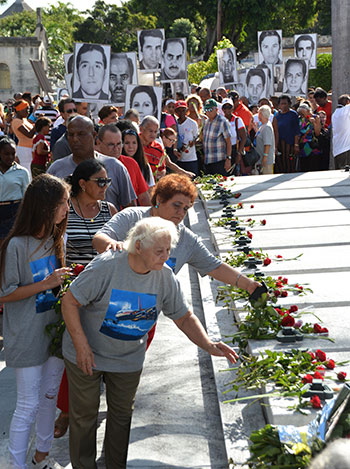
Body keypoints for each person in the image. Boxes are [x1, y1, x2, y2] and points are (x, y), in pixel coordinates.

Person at [63, 215, 238, 468]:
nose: (165, 256)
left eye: (168, 250)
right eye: (158, 251)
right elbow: (70, 300)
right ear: (137, 247)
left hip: (127, 359)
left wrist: (208, 344)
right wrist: (81, 346)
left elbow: (184, 316)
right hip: (86, 352)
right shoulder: (107, 265)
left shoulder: (164, 276)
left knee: (121, 417)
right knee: (83, 417)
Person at [0, 173, 71, 469]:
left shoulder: (56, 238)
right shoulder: (15, 245)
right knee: (27, 405)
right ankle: (16, 465)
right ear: (46, 206)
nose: (67, 209)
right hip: (27, 336)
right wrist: (47, 283)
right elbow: (6, 294)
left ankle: (41, 454)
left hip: (52, 334)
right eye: (64, 203)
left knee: (49, 397)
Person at [54, 159, 117, 439]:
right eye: (100, 182)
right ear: (83, 184)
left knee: (103, 349)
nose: (105, 187)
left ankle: (94, 403)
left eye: (107, 182)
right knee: (74, 350)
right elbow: (56, 248)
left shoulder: (109, 210)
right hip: (75, 291)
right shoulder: (66, 211)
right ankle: (66, 410)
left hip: (106, 292)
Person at [47, 115, 136, 210]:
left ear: (94, 135)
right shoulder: (56, 169)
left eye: (81, 134)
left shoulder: (115, 167)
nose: (75, 139)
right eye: (71, 135)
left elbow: (130, 209)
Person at [96, 124, 151, 206]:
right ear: (99, 143)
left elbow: (143, 197)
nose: (116, 149)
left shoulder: (131, 163)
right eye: (111, 144)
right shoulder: (92, 164)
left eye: (119, 144)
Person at [0, 137, 29, 246]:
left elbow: (26, 197)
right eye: (6, 154)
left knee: (8, 245)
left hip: (13, 211)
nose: (10, 157)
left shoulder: (22, 172)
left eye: (13, 153)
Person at [202, 98, 232, 175]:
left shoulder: (223, 122)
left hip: (219, 160)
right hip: (208, 160)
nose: (208, 112)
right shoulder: (206, 122)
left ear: (216, 109)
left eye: (210, 109)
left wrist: (228, 159)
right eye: (206, 110)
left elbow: (228, 142)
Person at [275, 95, 300, 173]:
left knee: (289, 162)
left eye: (285, 103)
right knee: (280, 162)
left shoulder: (293, 114)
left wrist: (296, 144)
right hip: (279, 142)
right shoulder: (277, 115)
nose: (283, 105)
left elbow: (296, 130)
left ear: (289, 104)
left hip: (290, 143)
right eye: (281, 104)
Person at [11, 100, 35, 176]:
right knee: (27, 170)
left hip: (29, 148)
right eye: (26, 109)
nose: (28, 111)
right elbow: (29, 134)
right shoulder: (16, 121)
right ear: (19, 110)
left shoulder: (24, 120)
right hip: (24, 149)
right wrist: (38, 123)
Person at [174, 100, 199, 175]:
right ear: (176, 112)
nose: (181, 113)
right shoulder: (175, 124)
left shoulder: (192, 123)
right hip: (179, 159)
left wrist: (193, 142)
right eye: (179, 110)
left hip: (191, 158)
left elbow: (197, 137)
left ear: (186, 111)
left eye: (183, 110)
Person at [221, 98, 246, 170]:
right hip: (223, 150)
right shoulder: (221, 120)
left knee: (234, 171)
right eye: (225, 107)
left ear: (232, 108)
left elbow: (244, 137)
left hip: (234, 149)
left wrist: (239, 153)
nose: (227, 109)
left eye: (229, 107)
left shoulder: (237, 120)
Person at [296, 101, 321, 172]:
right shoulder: (300, 119)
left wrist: (314, 123)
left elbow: (317, 133)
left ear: (308, 111)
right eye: (300, 114)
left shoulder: (315, 117)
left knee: (313, 167)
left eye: (303, 113)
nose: (301, 115)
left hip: (312, 145)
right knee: (304, 167)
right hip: (303, 146)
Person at [254, 104, 275, 174]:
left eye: (259, 113)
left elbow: (267, 143)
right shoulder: (263, 125)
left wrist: (265, 158)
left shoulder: (267, 127)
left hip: (266, 160)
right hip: (260, 158)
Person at [331, 94, 350, 169]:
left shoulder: (335, 114)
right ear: (348, 102)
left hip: (337, 149)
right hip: (345, 148)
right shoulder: (346, 110)